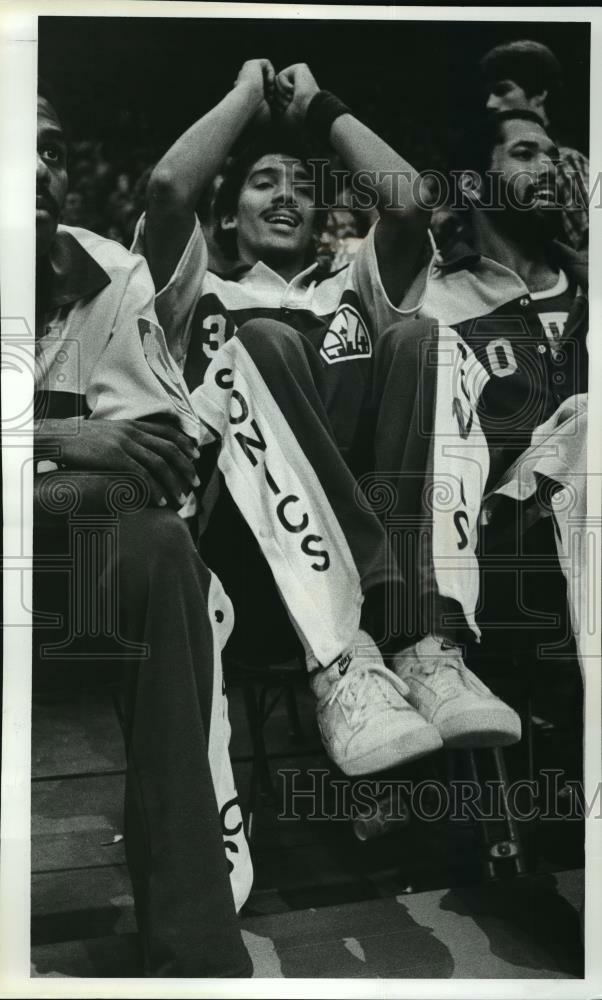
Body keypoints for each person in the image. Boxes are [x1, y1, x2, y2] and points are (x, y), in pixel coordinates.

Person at [134, 60, 521, 770]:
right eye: (263, 182)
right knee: (266, 340)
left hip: (393, 572)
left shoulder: (349, 290)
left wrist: (317, 105)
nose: (286, 196)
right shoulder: (199, 292)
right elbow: (166, 188)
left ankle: (429, 645)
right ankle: (342, 652)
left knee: (422, 337)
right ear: (225, 213)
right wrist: (248, 94)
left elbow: (406, 201)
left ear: (322, 216)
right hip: (252, 557)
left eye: (302, 188)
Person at [34, 83, 254, 977]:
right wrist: (58, 435)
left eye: (47, 148)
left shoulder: (110, 275)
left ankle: (195, 948)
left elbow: (149, 468)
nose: (39, 167)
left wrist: (83, 467)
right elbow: (93, 450)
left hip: (58, 571)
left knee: (160, 542)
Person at [375, 109, 587, 715]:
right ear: (473, 184)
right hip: (495, 547)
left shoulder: (591, 289)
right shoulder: (431, 301)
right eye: (525, 154)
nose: (549, 168)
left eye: (553, 154)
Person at [479, 39, 589, 250]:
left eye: (502, 90)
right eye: (524, 155)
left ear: (539, 94)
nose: (490, 103)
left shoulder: (569, 163)